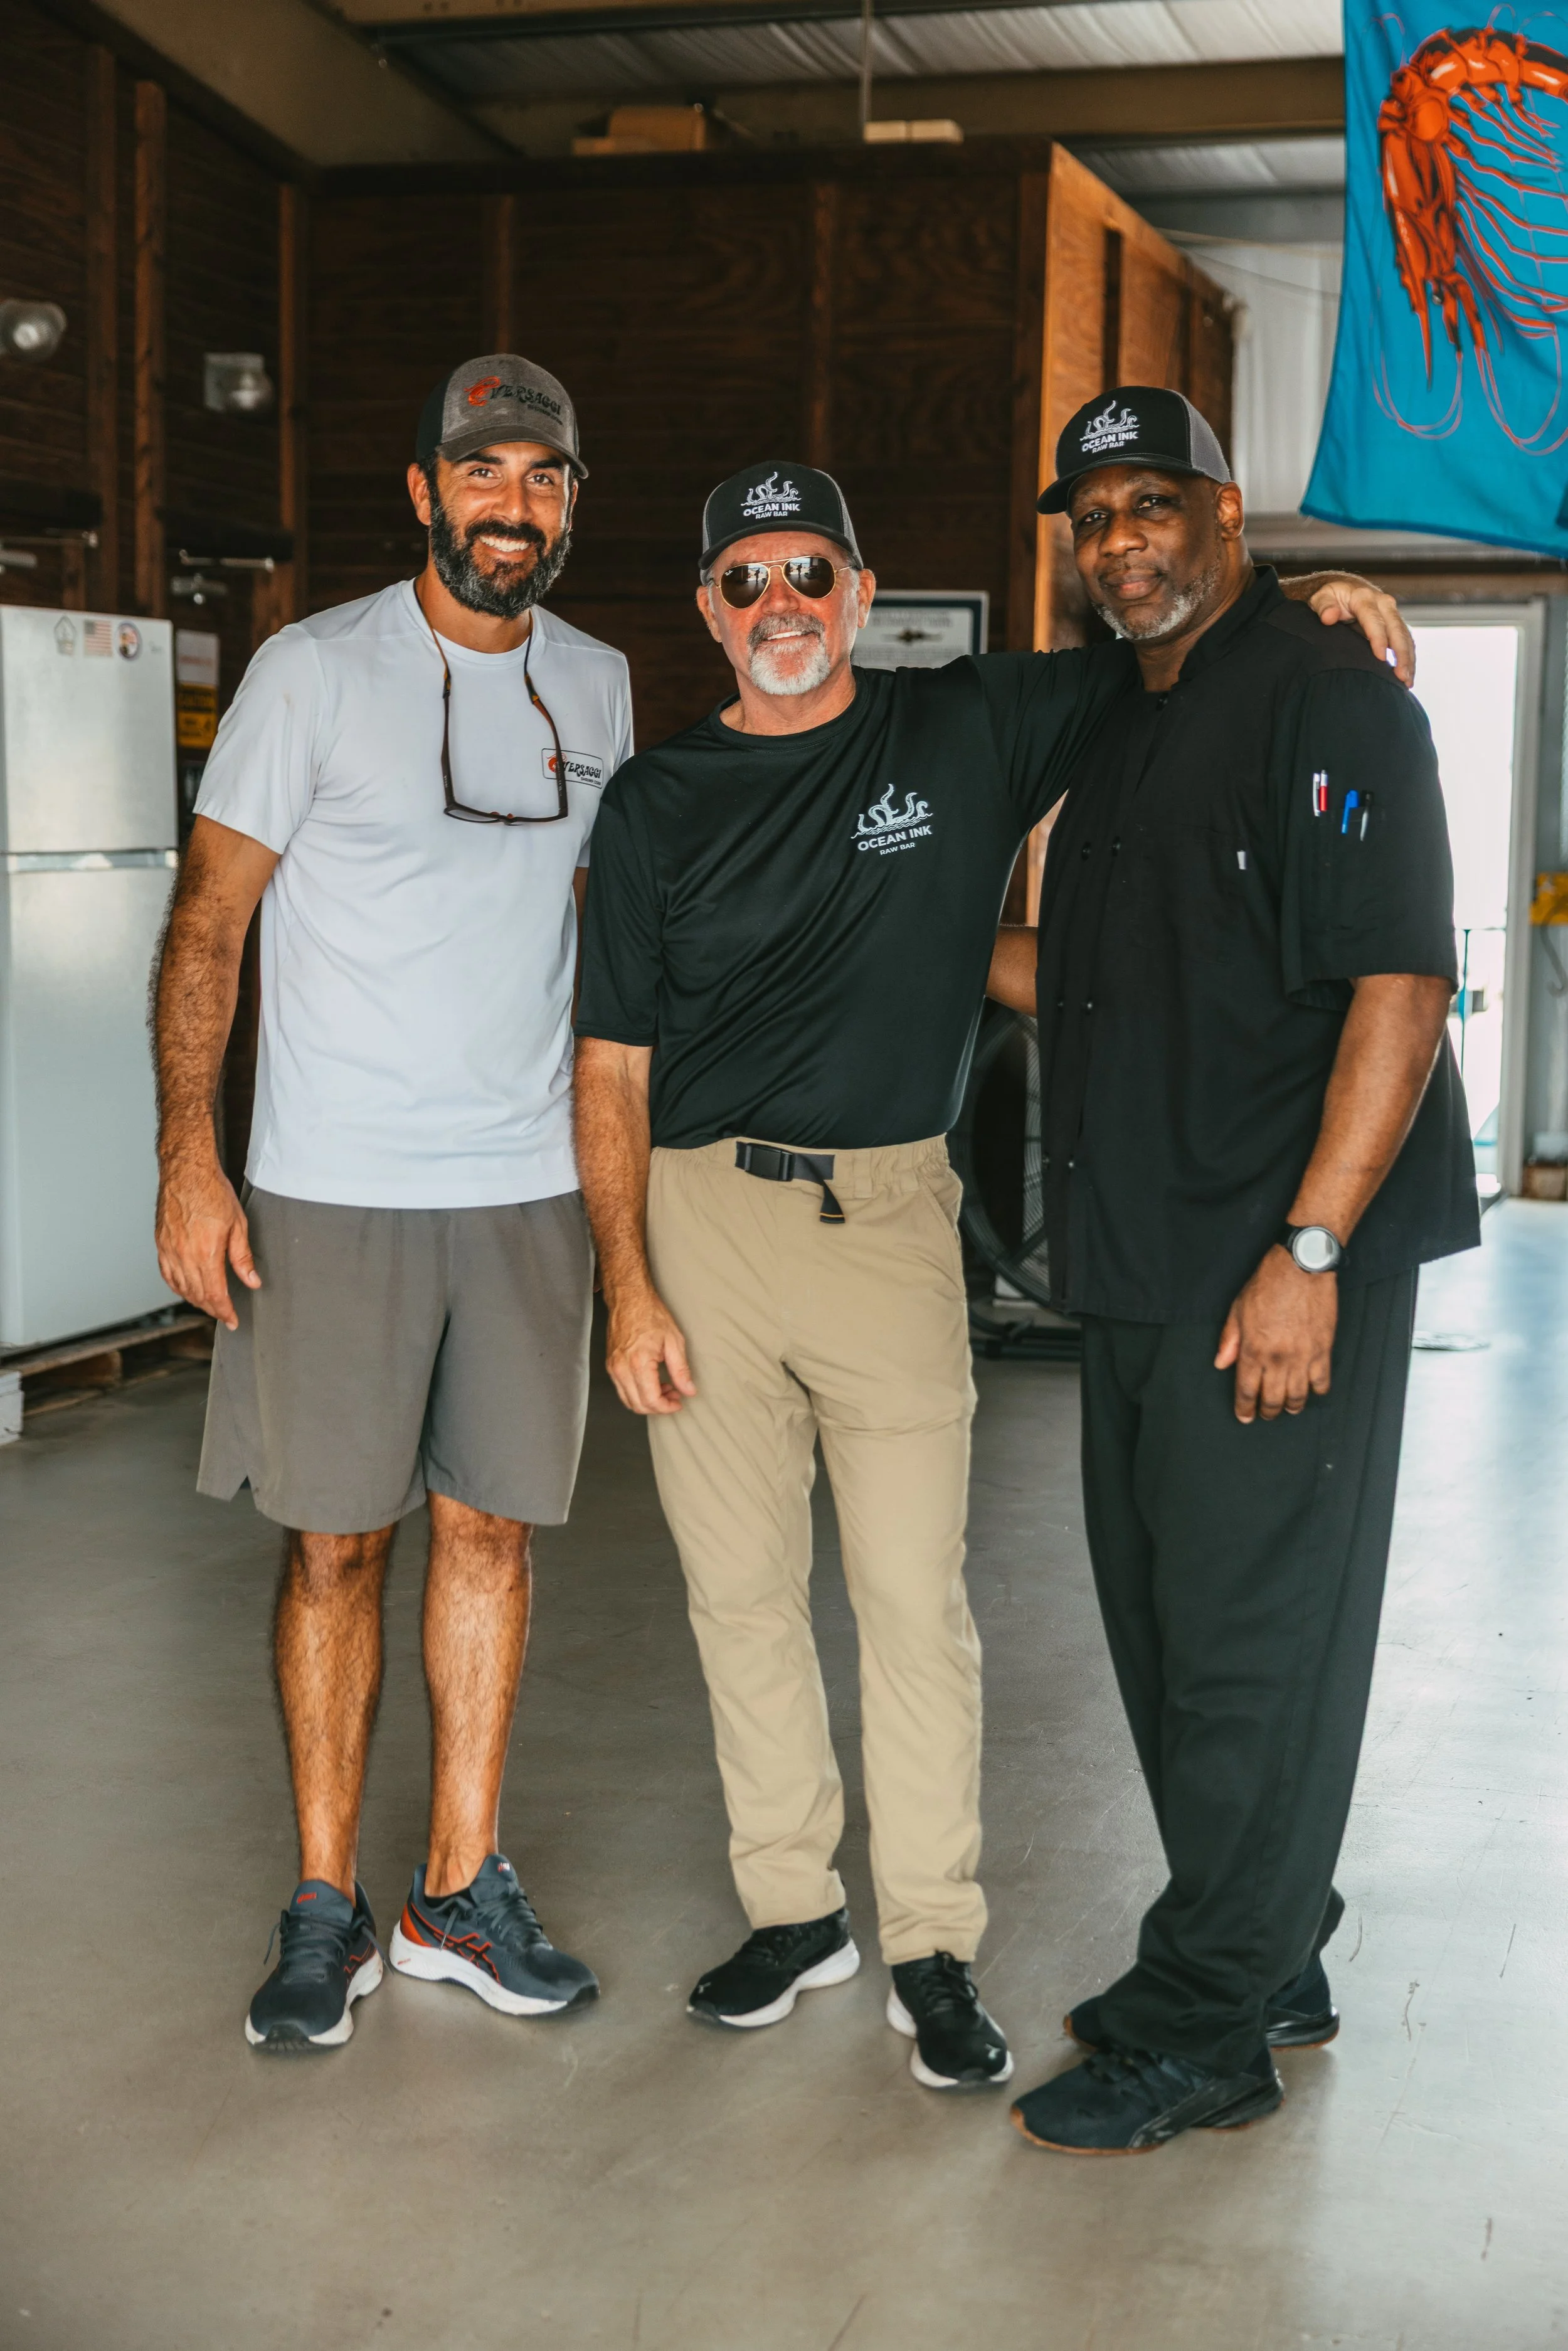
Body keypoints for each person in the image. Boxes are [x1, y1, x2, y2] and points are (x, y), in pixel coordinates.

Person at [571, 454, 1409, 2093]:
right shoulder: (655, 798)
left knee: (910, 1603)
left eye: (810, 574)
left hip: (886, 1224)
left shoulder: (961, 722)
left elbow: (1181, 627)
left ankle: (929, 1940)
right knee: (737, 1594)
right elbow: (608, 1067)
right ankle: (789, 1908)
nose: (779, 608)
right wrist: (628, 1284)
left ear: (859, 599)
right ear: (707, 613)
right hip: (699, 1222)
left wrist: (1317, 602)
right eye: (744, 583)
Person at [985, 387, 1478, 2154]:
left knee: (1251, 1646)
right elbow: (1112, 981)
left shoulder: (1331, 696)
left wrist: (1310, 1249)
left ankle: (1206, 2027)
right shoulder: (1124, 724)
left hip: (1268, 1261)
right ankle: (1269, 1946)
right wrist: (928, 950)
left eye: (1147, 504)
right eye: (1088, 514)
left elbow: (1397, 989)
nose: (1115, 540)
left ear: (1222, 506)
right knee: (1167, 1626)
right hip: (1134, 1251)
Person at [153, 354, 632, 2051]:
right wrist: (189, 1161)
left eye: (544, 475)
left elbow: (603, 942)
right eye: (482, 470)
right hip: (329, 1188)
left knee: (490, 1529)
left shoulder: (602, 684)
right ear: (424, 490)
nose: (514, 501)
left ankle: (457, 1885)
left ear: (572, 499)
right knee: (337, 1541)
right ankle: (320, 1903)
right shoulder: (311, 672)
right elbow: (209, 924)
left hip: (524, 1191)